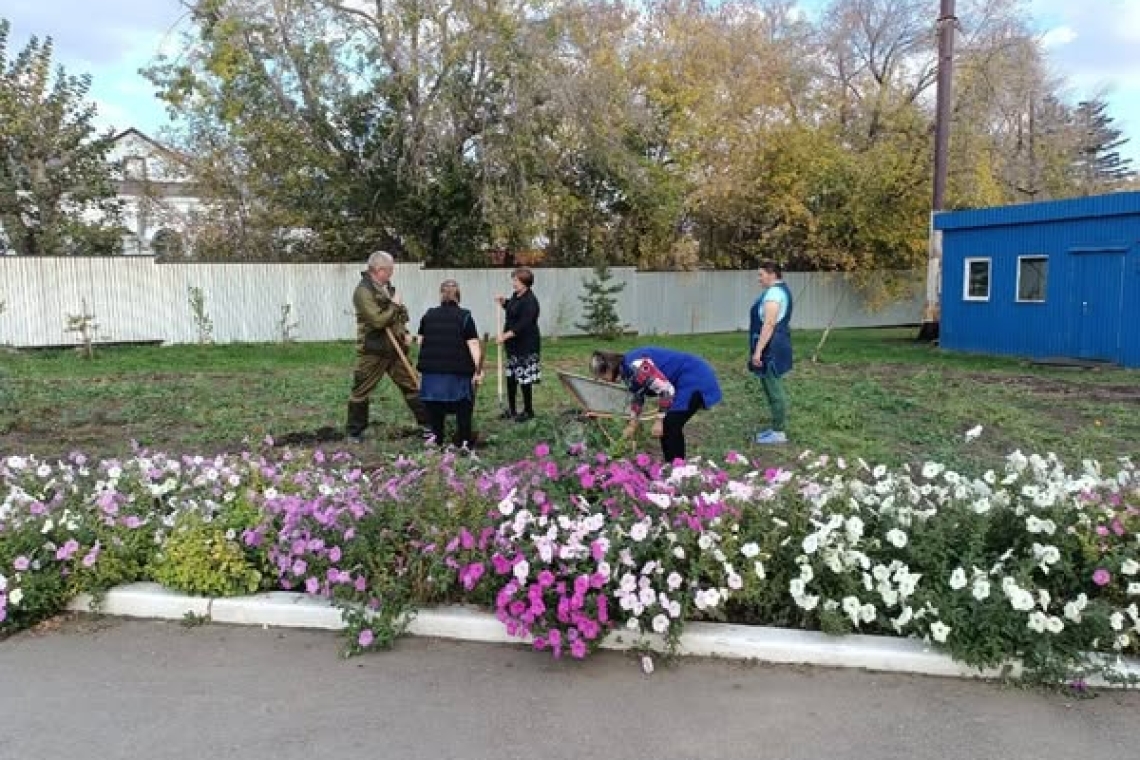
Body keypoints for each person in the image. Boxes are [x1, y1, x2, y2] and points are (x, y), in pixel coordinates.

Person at [344, 250, 430, 443]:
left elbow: (399, 317)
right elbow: (377, 321)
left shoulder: (388, 288)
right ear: (379, 269)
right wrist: (393, 306)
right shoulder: (363, 291)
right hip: (373, 351)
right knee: (361, 389)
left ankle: (428, 425)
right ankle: (354, 432)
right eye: (390, 269)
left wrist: (404, 333)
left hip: (395, 349)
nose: (392, 273)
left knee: (412, 384)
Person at [589, 346, 722, 464]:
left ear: (609, 368)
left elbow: (666, 390)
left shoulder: (636, 365)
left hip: (695, 378)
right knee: (668, 426)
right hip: (682, 381)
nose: (603, 380)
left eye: (602, 376)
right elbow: (637, 396)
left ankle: (678, 470)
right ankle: (672, 466)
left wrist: (659, 420)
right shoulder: (626, 371)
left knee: (670, 424)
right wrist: (632, 424)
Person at [415, 279, 483, 449]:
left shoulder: (428, 315)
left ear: (441, 296)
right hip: (456, 375)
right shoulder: (465, 317)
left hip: (431, 376)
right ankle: (465, 442)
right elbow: (473, 345)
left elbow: (420, 341)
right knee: (463, 408)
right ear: (458, 297)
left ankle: (437, 440)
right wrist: (478, 370)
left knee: (435, 409)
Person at [749, 260, 794, 444]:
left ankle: (779, 432)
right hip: (774, 344)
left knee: (774, 388)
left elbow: (769, 324)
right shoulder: (777, 291)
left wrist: (758, 351)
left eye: (761, 275)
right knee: (770, 386)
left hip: (771, 348)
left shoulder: (774, 293)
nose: (759, 279)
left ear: (772, 274)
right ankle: (775, 428)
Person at [495, 267, 541, 422]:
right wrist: (504, 303)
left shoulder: (531, 301)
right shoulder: (516, 296)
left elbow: (524, 324)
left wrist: (505, 335)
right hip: (513, 346)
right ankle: (512, 410)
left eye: (516, 280)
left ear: (524, 282)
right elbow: (513, 309)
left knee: (524, 379)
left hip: (525, 345)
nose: (513, 283)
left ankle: (528, 411)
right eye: (513, 279)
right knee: (511, 378)